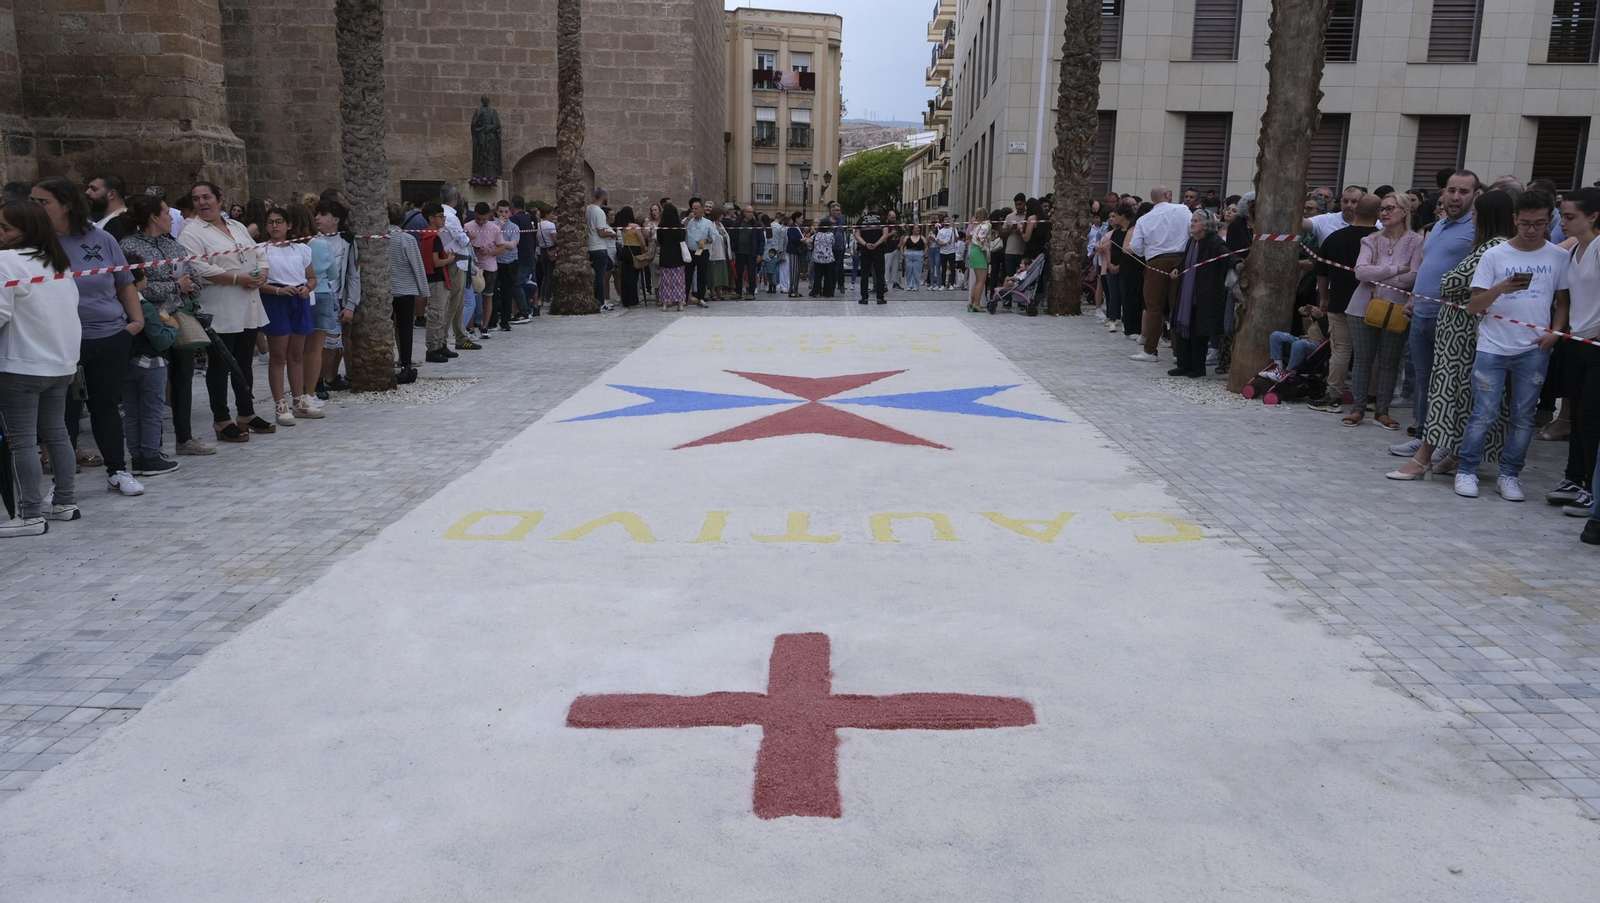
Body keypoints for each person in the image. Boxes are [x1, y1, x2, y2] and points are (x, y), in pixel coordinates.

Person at [1391, 191, 1517, 481]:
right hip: (1456, 333)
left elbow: (1454, 282)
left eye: (1475, 214)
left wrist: (1447, 282)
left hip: (1462, 337)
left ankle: (1423, 457)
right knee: (1458, 395)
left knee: (1445, 395)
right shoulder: (1485, 246)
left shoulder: (1493, 247)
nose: (1471, 219)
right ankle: (1457, 452)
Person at [1455, 189, 1571, 501]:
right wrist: (1501, 287)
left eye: (1539, 223)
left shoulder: (1558, 257)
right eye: (1525, 223)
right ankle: (1466, 469)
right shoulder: (1494, 256)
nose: (1531, 230)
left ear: (1549, 221)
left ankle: (1509, 474)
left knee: (1524, 416)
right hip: (1493, 346)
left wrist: (1555, 334)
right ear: (1514, 220)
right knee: (1484, 412)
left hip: (1534, 348)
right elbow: (1473, 305)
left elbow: (1563, 303)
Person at [33, 178, 145, 493]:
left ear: (67, 204)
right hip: (59, 340)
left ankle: (117, 471)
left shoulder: (102, 238)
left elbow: (124, 282)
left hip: (109, 336)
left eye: (43, 202)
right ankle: (62, 482)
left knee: (106, 406)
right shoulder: (36, 244)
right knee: (62, 413)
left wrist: (134, 322)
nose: (35, 208)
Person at [0, 199, 81, 535]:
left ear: (26, 230)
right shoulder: (56, 262)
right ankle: (65, 503)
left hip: (21, 364)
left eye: (5, 228)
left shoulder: (6, 260)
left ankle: (30, 514)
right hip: (61, 362)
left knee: (22, 442)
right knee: (57, 434)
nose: (0, 234)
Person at [1389, 170, 1482, 454]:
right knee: (1424, 381)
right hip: (1421, 314)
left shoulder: (1477, 228)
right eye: (1451, 190)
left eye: (1463, 192)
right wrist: (1413, 298)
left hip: (1452, 318)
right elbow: (1429, 266)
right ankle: (1423, 436)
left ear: (1475, 195)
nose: (1455, 197)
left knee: (1450, 385)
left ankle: (1447, 443)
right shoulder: (1439, 226)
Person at [118, 194, 211, 457]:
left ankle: (185, 438)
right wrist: (174, 286)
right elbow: (134, 287)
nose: (172, 217)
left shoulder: (174, 246)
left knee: (183, 378)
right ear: (153, 217)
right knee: (152, 385)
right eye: (166, 213)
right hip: (148, 325)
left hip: (176, 320)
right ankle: (151, 445)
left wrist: (189, 286)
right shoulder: (129, 247)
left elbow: (193, 279)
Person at [1342, 193, 1424, 429]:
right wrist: (1397, 268)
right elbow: (1361, 272)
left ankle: (1382, 411)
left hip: (1397, 307)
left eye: (1390, 208)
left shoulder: (1416, 241)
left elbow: (1414, 277)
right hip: (1362, 306)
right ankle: (1358, 409)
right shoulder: (1370, 239)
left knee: (1389, 362)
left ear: (1404, 212)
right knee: (1362, 361)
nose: (1384, 213)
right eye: (1382, 209)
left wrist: (1382, 276)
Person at [1548, 188, 1600, 515]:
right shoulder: (1573, 250)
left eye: (1570, 217)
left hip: (1596, 346)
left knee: (1591, 418)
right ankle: (1574, 478)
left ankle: (1594, 490)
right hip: (1575, 342)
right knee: (1577, 415)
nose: (1562, 222)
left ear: (1593, 217)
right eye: (1562, 215)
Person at [1307, 194, 1381, 412]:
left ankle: (1334, 396)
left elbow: (1321, 272)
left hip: (1340, 303)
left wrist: (1323, 297)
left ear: (1356, 210)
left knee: (1341, 350)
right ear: (1377, 213)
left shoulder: (1335, 238)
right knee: (1373, 352)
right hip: (1374, 304)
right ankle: (1371, 396)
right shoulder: (1380, 240)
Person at [117, 257, 179, 476]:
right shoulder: (146, 308)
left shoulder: (116, 305)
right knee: (152, 412)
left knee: (132, 414)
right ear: (138, 278)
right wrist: (172, 327)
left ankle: (137, 458)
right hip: (151, 364)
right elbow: (160, 340)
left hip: (125, 366)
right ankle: (151, 457)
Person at [260, 206, 318, 425]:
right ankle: (279, 404)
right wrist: (278, 291)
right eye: (270, 222)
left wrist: (308, 288)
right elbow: (258, 282)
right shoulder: (261, 250)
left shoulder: (301, 249)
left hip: (298, 300)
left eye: (279, 221)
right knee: (278, 355)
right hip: (276, 300)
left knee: (296, 353)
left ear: (289, 225)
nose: (275, 226)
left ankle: (299, 400)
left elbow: (312, 277)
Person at [1125, 184, 1193, 362]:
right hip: (1181, 261)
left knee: (1154, 308)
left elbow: (1137, 247)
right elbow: (1192, 232)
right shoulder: (1183, 210)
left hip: (1156, 262)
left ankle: (1150, 350)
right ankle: (1180, 352)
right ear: (1167, 194)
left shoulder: (1144, 219)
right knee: (1178, 306)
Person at [1169, 208, 1234, 376]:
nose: (1192, 223)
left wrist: (1238, 263)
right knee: (1183, 329)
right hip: (1186, 294)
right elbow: (1185, 261)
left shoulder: (1214, 241)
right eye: (1192, 220)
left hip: (1204, 294)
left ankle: (1198, 367)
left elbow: (1227, 256)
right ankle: (1184, 364)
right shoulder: (1192, 242)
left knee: (1198, 332)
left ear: (1206, 225)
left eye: (1196, 221)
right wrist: (1177, 268)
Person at [309, 198, 360, 400]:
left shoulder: (347, 242)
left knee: (332, 345)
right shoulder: (311, 240)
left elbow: (353, 274)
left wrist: (350, 305)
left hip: (336, 300)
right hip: (314, 297)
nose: (317, 218)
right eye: (317, 214)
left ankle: (320, 380)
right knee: (313, 345)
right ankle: (310, 382)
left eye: (323, 214)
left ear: (336, 219)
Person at [388, 203, 428, 372]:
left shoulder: (379, 237)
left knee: (386, 327)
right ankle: (405, 362)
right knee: (405, 328)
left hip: (385, 289)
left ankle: (387, 358)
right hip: (405, 290)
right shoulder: (407, 239)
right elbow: (417, 266)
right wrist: (424, 291)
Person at [419, 203, 457, 365]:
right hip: (436, 280)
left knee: (442, 314)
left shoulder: (433, 236)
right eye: (441, 217)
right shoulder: (431, 237)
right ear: (431, 219)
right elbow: (434, 262)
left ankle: (441, 344)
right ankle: (432, 348)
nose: (443, 220)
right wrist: (449, 259)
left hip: (441, 279)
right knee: (436, 315)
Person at [439, 185, 476, 351]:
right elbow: (462, 240)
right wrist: (467, 238)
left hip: (458, 262)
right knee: (453, 303)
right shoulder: (451, 217)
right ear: (455, 198)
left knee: (459, 303)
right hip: (455, 263)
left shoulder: (445, 215)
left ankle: (461, 337)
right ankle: (442, 340)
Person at [464, 202, 509, 337]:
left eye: (484, 219)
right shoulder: (467, 226)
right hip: (472, 266)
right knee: (470, 299)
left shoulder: (494, 228)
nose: (481, 221)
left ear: (489, 215)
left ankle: (485, 326)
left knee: (488, 297)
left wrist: (489, 250)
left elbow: (502, 248)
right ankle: (470, 326)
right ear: (474, 215)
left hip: (489, 267)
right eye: (478, 218)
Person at [491, 200, 521, 331]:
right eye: (500, 211)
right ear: (496, 211)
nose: (503, 214)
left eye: (506, 211)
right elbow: (489, 241)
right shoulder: (491, 226)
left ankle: (505, 321)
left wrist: (499, 242)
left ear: (510, 212)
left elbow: (513, 245)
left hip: (510, 262)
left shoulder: (514, 227)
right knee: (491, 292)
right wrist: (499, 228)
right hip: (494, 262)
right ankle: (491, 322)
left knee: (507, 292)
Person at [656, 203, 687, 312]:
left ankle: (665, 304)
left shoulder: (661, 228)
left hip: (665, 256)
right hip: (677, 255)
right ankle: (680, 304)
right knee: (679, 280)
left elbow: (659, 241)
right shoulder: (679, 227)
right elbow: (683, 239)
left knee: (665, 281)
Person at [585, 187, 615, 303]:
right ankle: (601, 302)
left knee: (608, 266)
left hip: (591, 246)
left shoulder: (589, 209)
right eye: (606, 195)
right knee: (600, 276)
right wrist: (611, 235)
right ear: (603, 196)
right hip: (599, 247)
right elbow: (601, 233)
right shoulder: (600, 212)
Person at [856, 200, 889, 304]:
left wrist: (866, 244)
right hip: (878, 250)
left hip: (865, 250)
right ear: (876, 207)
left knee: (865, 274)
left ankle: (864, 298)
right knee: (879, 273)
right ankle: (880, 298)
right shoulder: (882, 220)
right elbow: (885, 235)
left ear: (868, 208)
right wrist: (876, 244)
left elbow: (857, 235)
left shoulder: (861, 220)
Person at [510, 197, 538, 321]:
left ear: (512, 205)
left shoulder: (515, 219)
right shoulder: (527, 219)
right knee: (524, 284)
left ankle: (524, 312)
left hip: (521, 257)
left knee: (518, 284)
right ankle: (527, 308)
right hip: (529, 255)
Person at [616, 206, 645, 309]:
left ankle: (626, 301)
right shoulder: (635, 226)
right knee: (633, 277)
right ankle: (633, 301)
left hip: (625, 250)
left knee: (625, 276)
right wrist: (644, 249)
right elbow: (641, 241)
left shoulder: (622, 228)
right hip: (635, 250)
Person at [86, 173, 130, 240]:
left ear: (111, 194)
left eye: (94, 189)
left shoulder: (118, 224)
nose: (87, 192)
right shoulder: (109, 219)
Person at [965, 207, 991, 313]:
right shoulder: (986, 225)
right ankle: (976, 304)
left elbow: (969, 236)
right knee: (981, 281)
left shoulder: (976, 226)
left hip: (973, 251)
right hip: (980, 251)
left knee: (977, 281)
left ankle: (971, 303)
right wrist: (987, 250)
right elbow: (982, 239)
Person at [730, 204, 758, 300]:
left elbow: (761, 240)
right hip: (740, 252)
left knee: (751, 273)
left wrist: (760, 253)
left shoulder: (756, 224)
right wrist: (733, 250)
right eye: (749, 212)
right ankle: (738, 291)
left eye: (752, 212)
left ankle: (751, 292)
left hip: (751, 253)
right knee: (738, 273)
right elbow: (733, 236)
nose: (751, 214)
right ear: (744, 213)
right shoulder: (738, 223)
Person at [807, 219, 837, 298]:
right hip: (828, 258)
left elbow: (808, 241)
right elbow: (833, 243)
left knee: (818, 276)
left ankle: (816, 292)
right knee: (828, 276)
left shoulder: (817, 234)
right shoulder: (831, 235)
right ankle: (828, 292)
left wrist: (813, 246)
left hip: (818, 258)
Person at [1002, 192, 1028, 282]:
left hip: (1023, 252)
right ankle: (1009, 294)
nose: (1018, 207)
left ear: (1025, 203)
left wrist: (1022, 229)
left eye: (1020, 204)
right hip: (1010, 251)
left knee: (1022, 277)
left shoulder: (1028, 216)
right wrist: (1011, 230)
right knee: (1009, 277)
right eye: (1016, 204)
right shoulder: (1009, 217)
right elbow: (1003, 233)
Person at [708, 210, 731, 302]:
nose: (723, 217)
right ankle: (712, 292)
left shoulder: (721, 226)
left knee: (720, 274)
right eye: (721, 215)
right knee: (713, 274)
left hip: (722, 252)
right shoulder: (711, 225)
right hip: (714, 253)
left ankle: (719, 291)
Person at [935, 214, 958, 290]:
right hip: (943, 252)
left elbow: (956, 240)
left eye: (948, 219)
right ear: (943, 221)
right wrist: (945, 243)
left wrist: (954, 232)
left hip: (952, 251)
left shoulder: (953, 229)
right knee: (943, 268)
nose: (947, 220)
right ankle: (943, 284)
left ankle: (952, 284)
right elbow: (938, 242)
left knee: (952, 268)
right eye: (945, 219)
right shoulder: (941, 231)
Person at [901, 223, 926, 292]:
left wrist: (925, 253)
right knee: (909, 271)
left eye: (918, 228)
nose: (917, 229)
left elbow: (926, 245)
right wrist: (902, 253)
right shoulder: (907, 237)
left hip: (918, 254)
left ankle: (915, 286)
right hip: (909, 254)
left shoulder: (922, 237)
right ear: (912, 230)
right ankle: (909, 285)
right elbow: (902, 246)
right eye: (916, 228)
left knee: (917, 271)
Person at [884, 208, 903, 290]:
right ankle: (885, 282)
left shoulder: (897, 225)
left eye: (894, 218)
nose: (893, 219)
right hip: (887, 249)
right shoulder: (885, 225)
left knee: (895, 267)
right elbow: (883, 237)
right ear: (888, 217)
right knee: (886, 267)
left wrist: (900, 243)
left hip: (896, 248)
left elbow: (902, 234)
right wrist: (890, 234)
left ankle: (895, 282)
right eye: (892, 218)